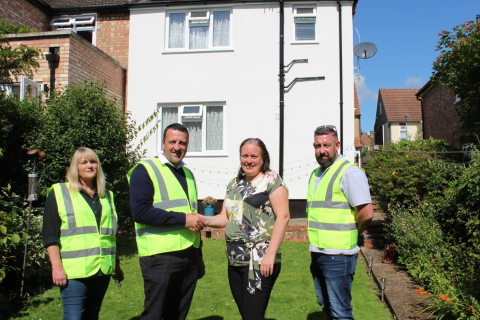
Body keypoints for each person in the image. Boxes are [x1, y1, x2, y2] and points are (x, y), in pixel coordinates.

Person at [204, 138, 290, 320]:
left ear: (263, 158)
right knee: (247, 314)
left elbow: (283, 216)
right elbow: (225, 218)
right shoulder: (234, 184)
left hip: (259, 260)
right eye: (245, 156)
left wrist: (271, 254)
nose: (249, 160)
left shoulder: (271, 180)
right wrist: (202, 219)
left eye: (254, 156)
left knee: (253, 316)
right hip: (235, 260)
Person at [127, 123, 206, 320]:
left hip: (189, 255)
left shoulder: (188, 174)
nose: (177, 147)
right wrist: (183, 220)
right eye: (172, 142)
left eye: (182, 143)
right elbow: (140, 212)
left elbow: (192, 216)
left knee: (178, 315)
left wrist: (199, 256)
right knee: (154, 315)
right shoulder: (144, 169)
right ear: (163, 143)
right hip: (160, 256)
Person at [43, 147, 124, 320]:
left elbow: (110, 234)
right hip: (74, 273)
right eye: (84, 162)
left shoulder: (107, 196)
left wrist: (116, 264)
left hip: (102, 270)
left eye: (93, 161)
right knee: (74, 317)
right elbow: (50, 235)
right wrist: (56, 267)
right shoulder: (60, 192)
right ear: (75, 167)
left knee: (92, 315)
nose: (89, 165)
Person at [307, 125, 373, 320]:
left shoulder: (349, 173)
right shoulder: (316, 174)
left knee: (340, 312)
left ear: (337, 145)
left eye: (326, 145)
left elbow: (366, 213)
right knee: (326, 306)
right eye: (318, 146)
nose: (322, 150)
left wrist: (356, 231)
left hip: (339, 255)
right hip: (318, 251)